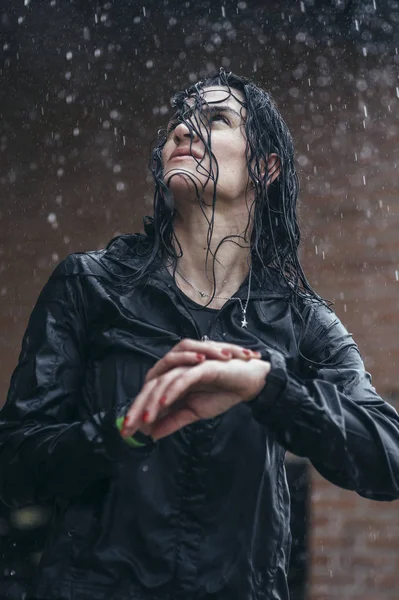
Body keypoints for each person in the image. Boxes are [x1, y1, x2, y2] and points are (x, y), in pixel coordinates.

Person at [0, 68, 399, 600]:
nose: (183, 131)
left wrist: (269, 386)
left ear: (264, 166)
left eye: (216, 119)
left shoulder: (303, 323)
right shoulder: (90, 286)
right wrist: (121, 430)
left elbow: (388, 458)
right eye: (177, 123)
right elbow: (14, 466)